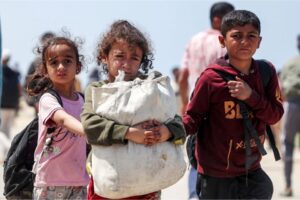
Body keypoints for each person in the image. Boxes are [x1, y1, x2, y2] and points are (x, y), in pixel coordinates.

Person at [183, 10, 284, 199]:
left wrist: (251, 96)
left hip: (251, 172)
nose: (245, 41)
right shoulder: (211, 78)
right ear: (223, 41)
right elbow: (192, 118)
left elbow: (274, 115)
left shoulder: (265, 72)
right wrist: (169, 131)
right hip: (216, 176)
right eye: (237, 36)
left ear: (259, 42)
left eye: (251, 36)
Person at [81, 20, 186, 200]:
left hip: (147, 182)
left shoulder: (152, 89)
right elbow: (90, 125)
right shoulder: (98, 90)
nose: (126, 64)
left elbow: (178, 124)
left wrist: (165, 132)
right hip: (110, 180)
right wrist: (130, 133)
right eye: (120, 56)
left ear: (142, 60)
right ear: (104, 57)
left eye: (134, 58)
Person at [179, 2, 234, 199]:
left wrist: (185, 103)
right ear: (218, 20)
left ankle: (194, 195)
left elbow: (183, 76)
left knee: (196, 152)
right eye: (231, 17)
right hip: (219, 109)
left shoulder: (194, 40)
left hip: (195, 106)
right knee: (220, 156)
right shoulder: (225, 42)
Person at [27, 36, 89, 199]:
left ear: (78, 67)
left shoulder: (84, 101)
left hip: (79, 182)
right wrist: (90, 131)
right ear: (45, 70)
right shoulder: (48, 99)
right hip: (49, 183)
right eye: (54, 62)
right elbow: (63, 119)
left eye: (67, 61)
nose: (61, 67)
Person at [279, 34, 300, 197]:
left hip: (292, 105)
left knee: (288, 145)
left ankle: (287, 185)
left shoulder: (289, 63)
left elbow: (282, 88)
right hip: (292, 103)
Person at [0, 49, 21, 139]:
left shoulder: (2, 73)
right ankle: (7, 150)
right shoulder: (15, 73)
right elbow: (19, 88)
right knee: (7, 128)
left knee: (2, 128)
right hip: (12, 104)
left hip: (2, 105)